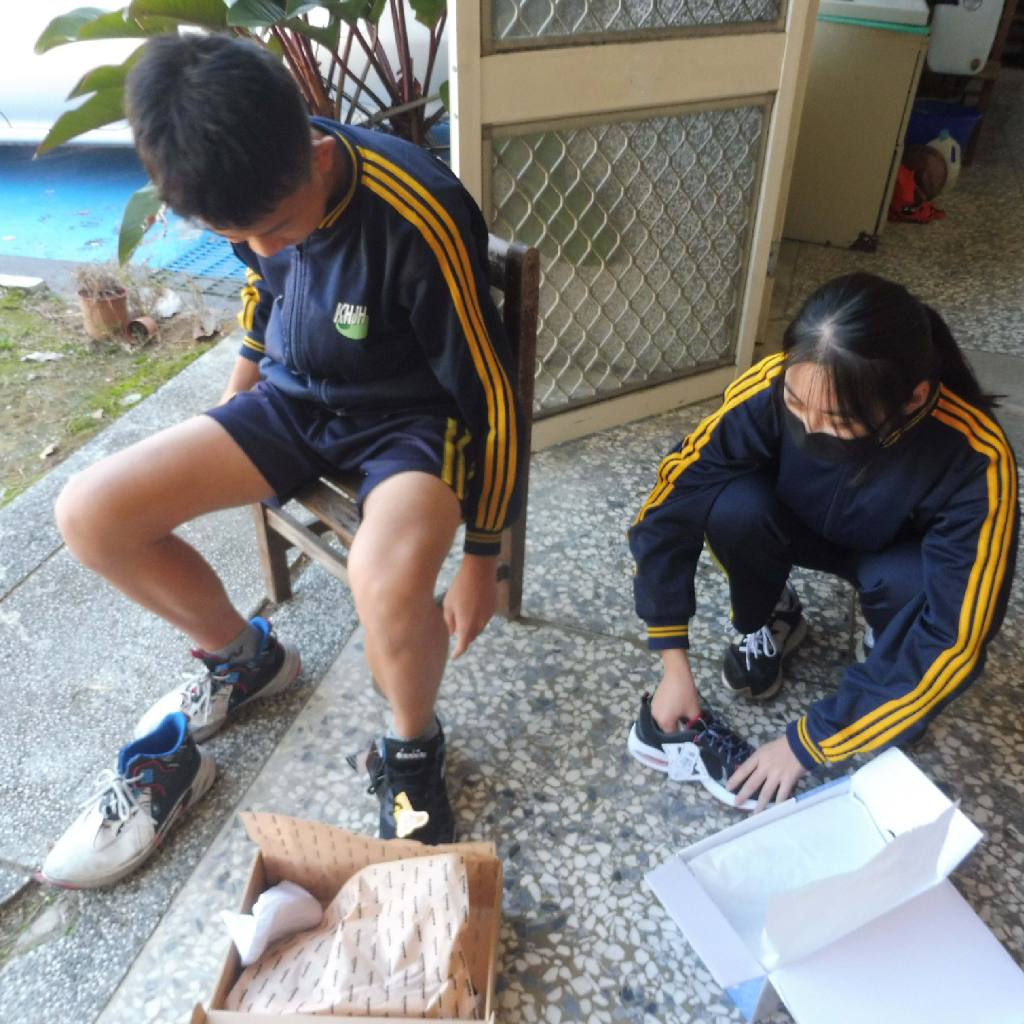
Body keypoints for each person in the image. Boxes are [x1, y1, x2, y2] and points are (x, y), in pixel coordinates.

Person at [41, 33, 521, 887]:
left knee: (385, 580)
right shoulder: (242, 185)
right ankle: (244, 658)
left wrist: (484, 556)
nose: (261, 248)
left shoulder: (420, 212)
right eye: (237, 236)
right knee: (89, 514)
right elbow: (265, 289)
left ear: (320, 155)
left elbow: (492, 393)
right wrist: (241, 386)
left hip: (411, 423)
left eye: (276, 229)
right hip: (291, 400)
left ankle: (411, 751)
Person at [626, 272, 1018, 812]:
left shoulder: (976, 456)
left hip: (890, 554)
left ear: (912, 398)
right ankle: (769, 614)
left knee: (914, 604)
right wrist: (673, 666)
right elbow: (671, 505)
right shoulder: (771, 385)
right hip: (793, 521)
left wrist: (808, 743)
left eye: (837, 419)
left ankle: (888, 640)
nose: (809, 427)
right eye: (796, 404)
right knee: (732, 506)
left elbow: (959, 635)